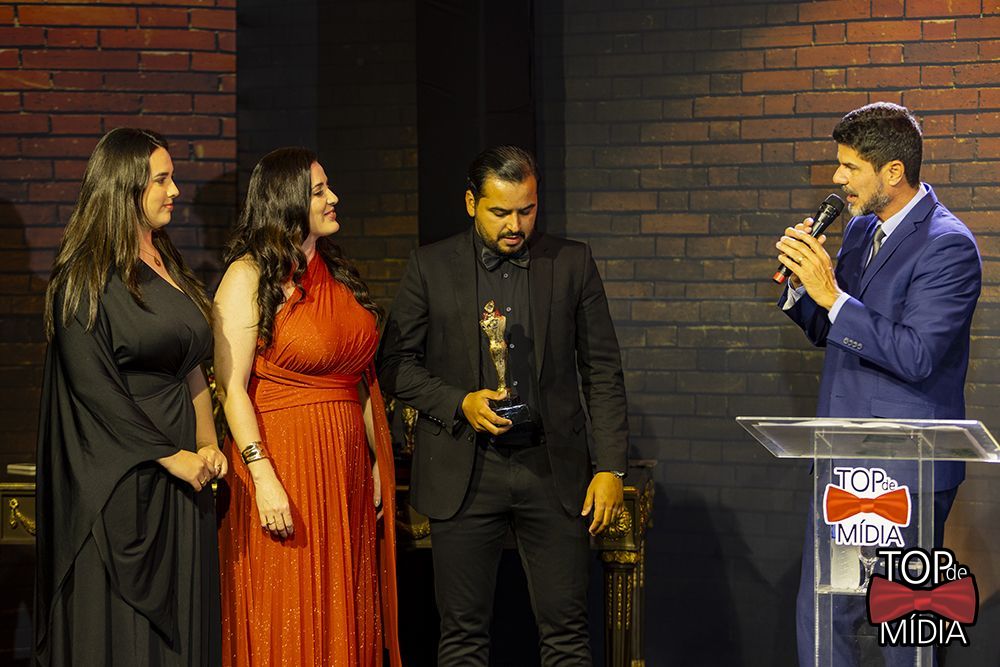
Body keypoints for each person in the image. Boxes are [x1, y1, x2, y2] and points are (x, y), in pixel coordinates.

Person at [377, 145, 629, 665]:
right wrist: (459, 402)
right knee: (462, 636)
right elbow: (395, 365)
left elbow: (602, 370)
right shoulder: (429, 265)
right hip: (464, 470)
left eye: (527, 210)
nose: (516, 225)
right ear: (471, 203)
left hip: (552, 470)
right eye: (501, 212)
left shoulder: (573, 262)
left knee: (567, 635)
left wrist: (610, 468)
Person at [775, 102, 982, 666]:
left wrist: (833, 296)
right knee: (826, 614)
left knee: (906, 626)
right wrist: (803, 287)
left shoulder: (948, 244)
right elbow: (832, 329)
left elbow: (917, 355)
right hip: (844, 465)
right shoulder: (862, 229)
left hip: (907, 474)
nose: (837, 177)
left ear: (893, 171)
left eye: (850, 166)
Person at [35, 128, 224, 665]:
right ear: (124, 187)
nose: (175, 191)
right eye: (162, 180)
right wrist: (171, 456)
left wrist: (206, 443)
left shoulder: (167, 260)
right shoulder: (83, 277)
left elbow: (191, 364)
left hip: (186, 475)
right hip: (124, 476)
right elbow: (94, 388)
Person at [213, 147, 401, 666]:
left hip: (344, 471)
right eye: (319, 191)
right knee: (290, 608)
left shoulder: (335, 272)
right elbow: (231, 388)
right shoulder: (247, 276)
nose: (333, 197)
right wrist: (262, 475)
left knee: (343, 606)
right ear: (287, 200)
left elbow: (359, 380)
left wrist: (376, 461)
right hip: (284, 463)